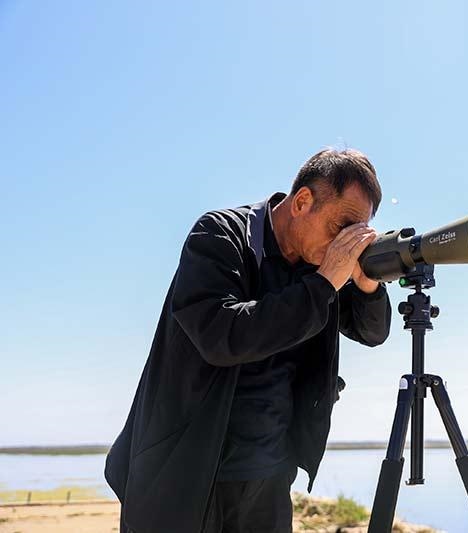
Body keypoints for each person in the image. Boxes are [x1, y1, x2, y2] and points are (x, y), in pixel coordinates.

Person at [104, 148, 392, 532]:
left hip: (268, 476)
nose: (346, 243)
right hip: (185, 471)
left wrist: (368, 284)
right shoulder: (220, 235)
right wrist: (324, 283)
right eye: (342, 227)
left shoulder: (320, 262)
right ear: (302, 202)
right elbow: (222, 337)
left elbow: (372, 332)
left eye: (357, 232)